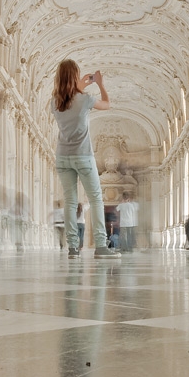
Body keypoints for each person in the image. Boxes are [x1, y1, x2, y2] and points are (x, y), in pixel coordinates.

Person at [50, 60, 120, 258]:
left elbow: (68, 98)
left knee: (70, 203)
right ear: (74, 77)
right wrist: (99, 84)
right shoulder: (86, 100)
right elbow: (107, 104)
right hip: (83, 156)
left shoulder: (54, 102)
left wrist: (79, 86)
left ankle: (72, 247)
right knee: (96, 200)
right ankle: (100, 246)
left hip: (62, 157)